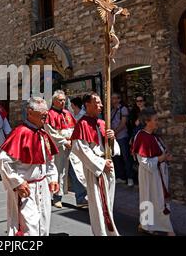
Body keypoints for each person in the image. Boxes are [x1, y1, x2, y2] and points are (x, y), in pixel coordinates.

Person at [0, 97, 60, 236]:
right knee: (28, 228)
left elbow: (49, 161)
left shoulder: (43, 133)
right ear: (30, 112)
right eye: (41, 111)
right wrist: (18, 182)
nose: (46, 113)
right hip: (26, 189)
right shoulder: (20, 133)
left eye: (46, 110)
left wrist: (52, 179)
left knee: (43, 226)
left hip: (43, 187)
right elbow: (3, 161)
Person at [71, 92, 121, 236]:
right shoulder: (82, 124)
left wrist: (111, 138)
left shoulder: (102, 123)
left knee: (108, 203)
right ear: (87, 105)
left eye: (100, 102)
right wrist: (101, 163)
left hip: (108, 165)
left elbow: (111, 149)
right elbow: (81, 150)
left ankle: (109, 232)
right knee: (99, 205)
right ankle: (102, 234)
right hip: (96, 169)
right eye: (97, 103)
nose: (101, 106)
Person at [131, 107, 175, 236]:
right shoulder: (141, 137)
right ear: (147, 121)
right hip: (149, 175)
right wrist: (160, 158)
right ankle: (166, 229)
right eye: (155, 120)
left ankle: (148, 225)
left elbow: (160, 153)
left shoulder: (154, 136)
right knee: (150, 200)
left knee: (155, 200)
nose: (157, 122)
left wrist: (166, 158)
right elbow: (144, 162)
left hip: (158, 173)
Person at [44, 90, 76, 208]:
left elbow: (74, 127)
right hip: (59, 147)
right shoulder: (49, 114)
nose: (63, 102)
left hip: (71, 145)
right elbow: (50, 132)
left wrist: (73, 140)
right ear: (54, 101)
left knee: (76, 170)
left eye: (64, 100)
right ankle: (57, 197)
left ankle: (81, 197)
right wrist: (64, 141)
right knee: (59, 171)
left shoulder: (67, 113)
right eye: (60, 100)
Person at [111, 93, 134, 187]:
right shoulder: (112, 110)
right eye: (112, 98)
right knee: (116, 158)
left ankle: (130, 177)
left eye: (114, 98)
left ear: (119, 99)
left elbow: (123, 123)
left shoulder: (123, 109)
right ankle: (121, 177)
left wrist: (115, 132)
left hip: (122, 136)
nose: (113, 100)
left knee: (126, 158)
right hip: (115, 137)